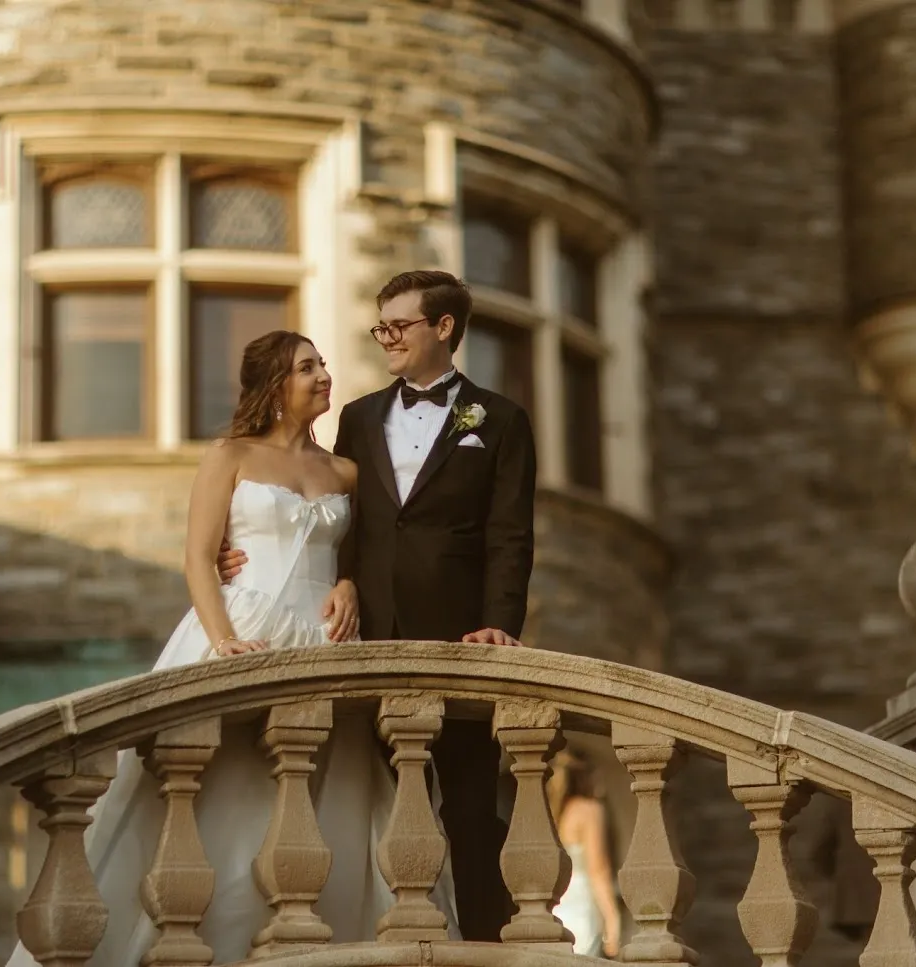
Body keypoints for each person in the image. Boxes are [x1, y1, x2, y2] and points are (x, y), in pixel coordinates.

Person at [4, 330, 458, 967]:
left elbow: (379, 547)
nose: (324, 375)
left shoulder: (347, 472)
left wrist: (349, 580)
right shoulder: (230, 456)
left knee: (332, 802)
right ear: (275, 387)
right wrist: (222, 640)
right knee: (224, 798)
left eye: (323, 364)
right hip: (244, 624)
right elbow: (197, 557)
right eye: (308, 368)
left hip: (326, 643)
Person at [218, 270, 537, 941]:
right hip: (361, 637)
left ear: (442, 328)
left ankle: (480, 940)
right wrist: (329, 575)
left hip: (459, 638)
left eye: (398, 325)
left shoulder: (501, 420)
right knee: (365, 797)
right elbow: (342, 521)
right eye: (380, 326)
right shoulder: (359, 418)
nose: (385, 337)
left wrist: (499, 625)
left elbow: (510, 534)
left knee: (472, 803)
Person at [548, 750, 622, 958]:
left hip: (554, 909)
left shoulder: (551, 812)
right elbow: (598, 870)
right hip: (581, 909)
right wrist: (612, 920)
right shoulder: (588, 810)